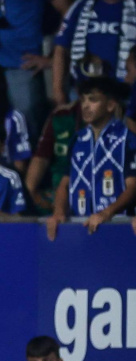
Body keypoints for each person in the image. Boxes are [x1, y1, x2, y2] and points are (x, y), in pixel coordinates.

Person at [0, 0, 70, 141]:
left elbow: (67, 10)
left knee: (27, 126)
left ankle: (28, 162)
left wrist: (53, 57)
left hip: (21, 64)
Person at [47, 76, 136, 240]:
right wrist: (58, 212)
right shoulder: (77, 140)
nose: (85, 106)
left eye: (93, 100)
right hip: (80, 227)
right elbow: (65, 184)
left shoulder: (127, 139)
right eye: (83, 100)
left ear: (110, 105)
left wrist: (106, 213)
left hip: (118, 227)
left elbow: (133, 186)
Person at [51, 0, 136, 107]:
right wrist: (58, 91)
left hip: (125, 94)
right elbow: (60, 48)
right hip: (83, 92)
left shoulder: (133, 6)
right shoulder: (81, 5)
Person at [25, 99, 83, 215]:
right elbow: (40, 157)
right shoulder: (61, 116)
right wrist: (28, 194)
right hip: (59, 188)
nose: (86, 105)